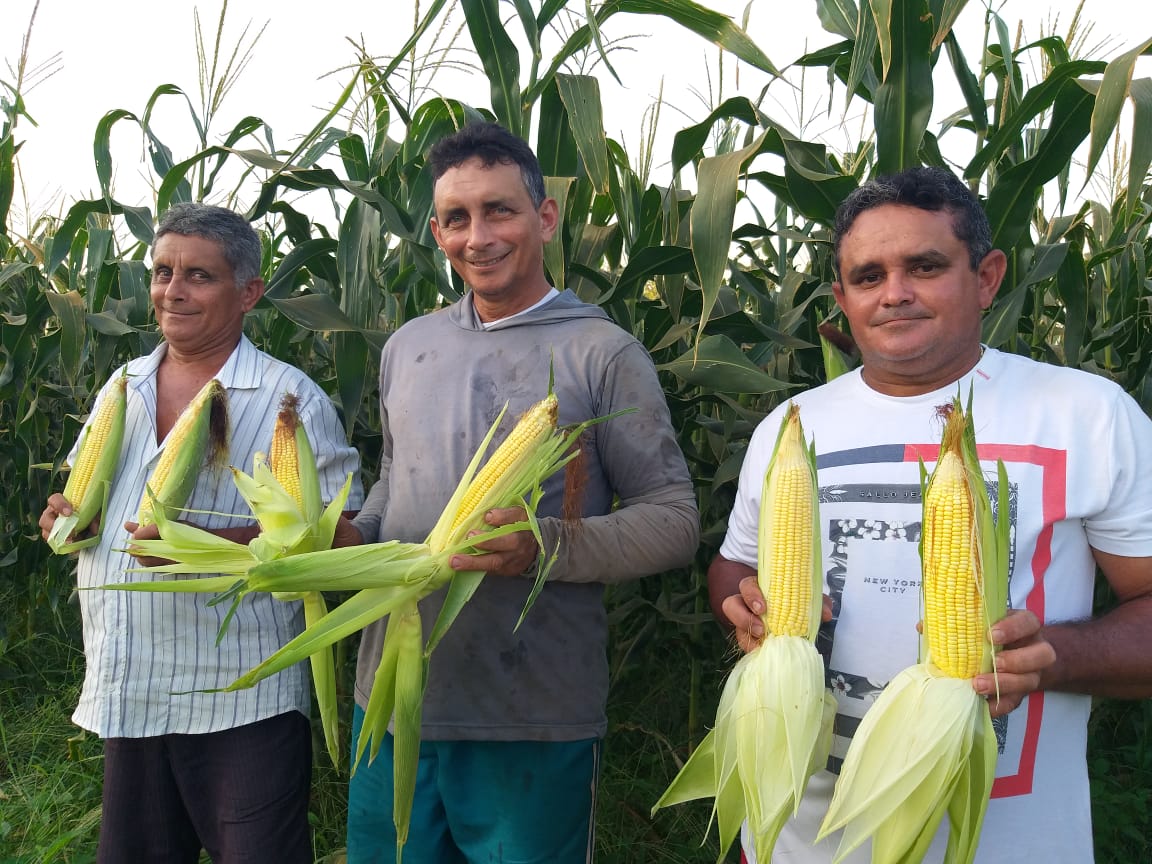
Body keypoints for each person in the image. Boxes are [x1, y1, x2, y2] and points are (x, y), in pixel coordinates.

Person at [710, 166, 1152, 863]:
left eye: (925, 266)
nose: (895, 294)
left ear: (987, 276)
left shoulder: (1087, 415)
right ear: (841, 298)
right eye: (867, 276)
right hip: (800, 835)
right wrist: (743, 603)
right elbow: (736, 563)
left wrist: (1058, 657)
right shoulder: (791, 426)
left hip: (1009, 842)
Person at [341, 121, 700, 863]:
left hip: (529, 715)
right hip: (394, 697)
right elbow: (393, 480)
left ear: (544, 217)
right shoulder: (410, 345)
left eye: (499, 211)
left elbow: (673, 521)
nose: (478, 237)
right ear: (436, 230)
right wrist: (354, 536)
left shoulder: (601, 353)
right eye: (456, 219)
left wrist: (547, 546)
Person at [39, 202, 363, 864]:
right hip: (129, 684)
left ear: (249, 292)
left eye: (198, 276)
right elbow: (82, 497)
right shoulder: (121, 386)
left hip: (238, 698)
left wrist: (211, 547)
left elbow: (343, 541)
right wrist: (68, 521)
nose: (172, 291)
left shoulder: (286, 399)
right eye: (162, 271)